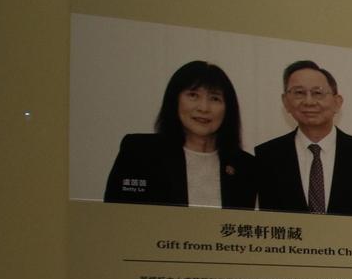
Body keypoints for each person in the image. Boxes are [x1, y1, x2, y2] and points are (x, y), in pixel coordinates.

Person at [103, 61, 256, 209]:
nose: (204, 108)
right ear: (174, 99)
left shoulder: (245, 166)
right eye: (193, 95)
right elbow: (115, 218)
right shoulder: (139, 153)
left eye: (215, 98)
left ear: (228, 108)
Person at [254, 60, 352, 217]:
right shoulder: (266, 156)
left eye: (318, 93)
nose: (309, 102)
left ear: (337, 102)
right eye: (299, 93)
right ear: (286, 102)